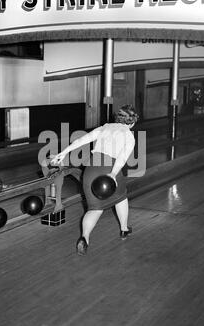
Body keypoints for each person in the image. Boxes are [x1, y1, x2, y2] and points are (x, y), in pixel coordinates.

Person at [51, 105, 139, 255]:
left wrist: (63, 153)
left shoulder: (104, 128)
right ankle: (124, 229)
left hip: (91, 169)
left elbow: (81, 140)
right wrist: (112, 174)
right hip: (109, 168)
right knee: (121, 196)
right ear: (131, 123)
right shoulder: (128, 135)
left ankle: (84, 237)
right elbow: (122, 158)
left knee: (94, 208)